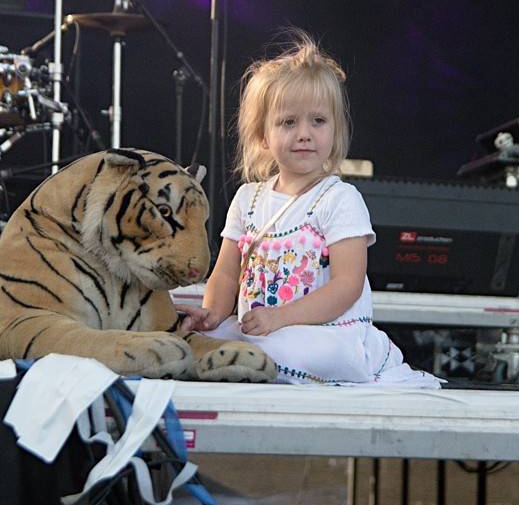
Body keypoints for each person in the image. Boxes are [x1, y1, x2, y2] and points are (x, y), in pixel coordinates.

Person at [179, 29, 441, 387]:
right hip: (263, 328)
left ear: (335, 130)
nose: (304, 133)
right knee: (199, 347)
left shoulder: (339, 199)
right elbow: (226, 274)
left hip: (324, 333)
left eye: (318, 121)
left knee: (282, 355)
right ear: (262, 136)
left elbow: (347, 284)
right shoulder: (247, 199)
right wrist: (211, 314)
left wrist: (281, 318)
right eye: (288, 122)